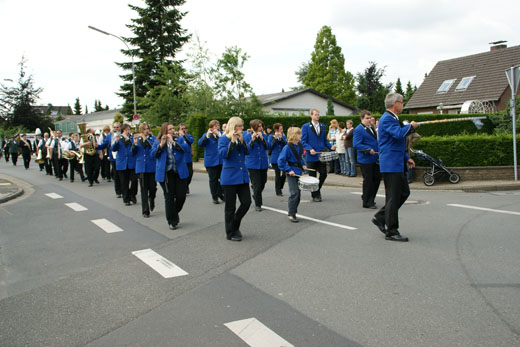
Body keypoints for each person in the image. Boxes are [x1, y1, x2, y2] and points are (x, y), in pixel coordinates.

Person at [372, 93, 419, 242]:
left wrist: (407, 158)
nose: (403, 105)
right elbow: (398, 135)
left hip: (397, 162)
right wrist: (410, 126)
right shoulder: (387, 119)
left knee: (404, 192)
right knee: (393, 197)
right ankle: (391, 230)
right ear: (395, 103)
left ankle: (381, 217)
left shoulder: (393, 118)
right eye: (402, 102)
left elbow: (396, 142)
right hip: (391, 164)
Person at [218, 116, 251, 241]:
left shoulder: (241, 139)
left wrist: (242, 142)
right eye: (240, 126)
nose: (242, 128)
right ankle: (230, 232)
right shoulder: (223, 139)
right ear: (234, 127)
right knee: (230, 207)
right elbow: (223, 155)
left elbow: (247, 152)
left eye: (242, 126)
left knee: (247, 202)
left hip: (242, 177)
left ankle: (235, 223)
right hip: (229, 177)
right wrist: (232, 142)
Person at [152, 122, 190, 230]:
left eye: (173, 129)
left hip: (179, 172)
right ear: (164, 131)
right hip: (166, 174)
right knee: (169, 197)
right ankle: (171, 221)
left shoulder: (179, 139)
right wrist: (161, 145)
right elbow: (152, 154)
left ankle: (174, 212)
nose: (173, 131)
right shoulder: (158, 141)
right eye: (170, 129)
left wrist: (173, 142)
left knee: (181, 196)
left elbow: (185, 149)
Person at [301, 108, 335, 202]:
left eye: (318, 114)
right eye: (315, 114)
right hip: (311, 155)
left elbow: (324, 140)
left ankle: (317, 189)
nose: (317, 116)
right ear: (311, 115)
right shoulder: (306, 126)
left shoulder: (322, 126)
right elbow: (303, 141)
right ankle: (316, 195)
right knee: (312, 176)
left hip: (321, 154)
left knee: (324, 173)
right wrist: (309, 149)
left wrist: (330, 146)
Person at [278, 127, 307, 223]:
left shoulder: (299, 146)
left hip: (298, 172)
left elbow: (300, 158)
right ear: (294, 136)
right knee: (294, 193)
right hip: (291, 173)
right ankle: (291, 213)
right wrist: (288, 169)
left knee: (298, 194)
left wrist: (303, 165)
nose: (300, 136)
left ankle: (294, 211)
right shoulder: (287, 147)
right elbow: (281, 161)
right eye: (299, 134)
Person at [353, 110, 380, 209]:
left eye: (370, 118)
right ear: (362, 119)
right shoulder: (359, 129)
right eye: (367, 118)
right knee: (368, 181)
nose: (369, 120)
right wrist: (368, 149)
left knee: (376, 179)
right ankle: (367, 202)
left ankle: (370, 197)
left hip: (374, 158)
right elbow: (356, 144)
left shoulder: (371, 128)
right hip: (365, 159)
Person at [244, 119, 270, 211]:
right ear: (254, 127)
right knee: (257, 185)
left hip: (263, 163)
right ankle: (258, 204)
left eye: (261, 126)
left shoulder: (265, 135)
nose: (261, 128)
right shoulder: (247, 136)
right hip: (252, 164)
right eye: (259, 126)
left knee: (263, 182)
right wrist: (252, 140)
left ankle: (255, 194)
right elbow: (246, 150)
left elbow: (268, 147)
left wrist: (263, 139)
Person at [197, 120, 224, 204]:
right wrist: (207, 136)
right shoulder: (206, 135)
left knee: (222, 179)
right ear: (211, 127)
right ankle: (214, 196)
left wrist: (219, 135)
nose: (217, 127)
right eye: (215, 126)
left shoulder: (222, 134)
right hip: (211, 161)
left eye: (218, 125)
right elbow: (200, 144)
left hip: (221, 161)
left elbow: (225, 141)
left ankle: (221, 194)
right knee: (213, 180)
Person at [134, 123, 157, 218]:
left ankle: (151, 198)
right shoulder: (137, 139)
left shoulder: (153, 139)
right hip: (141, 167)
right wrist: (134, 144)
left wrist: (145, 139)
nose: (146, 131)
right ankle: (145, 210)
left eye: (147, 129)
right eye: (144, 129)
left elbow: (152, 148)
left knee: (152, 188)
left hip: (151, 166)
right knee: (143, 189)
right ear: (141, 130)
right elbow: (133, 152)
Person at [111, 124, 137, 205]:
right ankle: (126, 199)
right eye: (126, 130)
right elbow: (113, 149)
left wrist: (129, 139)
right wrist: (116, 142)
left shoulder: (133, 138)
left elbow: (135, 148)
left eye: (129, 129)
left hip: (131, 162)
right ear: (123, 131)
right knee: (124, 182)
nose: (128, 131)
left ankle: (132, 195)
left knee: (134, 180)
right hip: (122, 163)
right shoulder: (119, 138)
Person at [98, 122, 123, 198]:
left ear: (120, 127)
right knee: (116, 175)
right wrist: (97, 146)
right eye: (115, 127)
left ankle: (124, 190)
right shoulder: (109, 136)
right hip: (113, 157)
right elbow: (104, 145)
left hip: (122, 158)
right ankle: (118, 191)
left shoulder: (123, 134)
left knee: (123, 175)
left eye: (117, 127)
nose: (116, 129)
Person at [268, 123, 287, 196]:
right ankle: (278, 190)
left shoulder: (283, 136)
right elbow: (270, 147)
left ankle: (280, 186)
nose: (282, 131)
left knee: (284, 174)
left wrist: (281, 138)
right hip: (275, 158)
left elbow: (286, 145)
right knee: (277, 174)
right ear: (276, 129)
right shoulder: (270, 137)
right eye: (280, 129)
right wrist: (275, 139)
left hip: (283, 157)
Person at [177, 123, 194, 195]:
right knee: (182, 174)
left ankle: (186, 185)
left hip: (188, 158)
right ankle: (183, 187)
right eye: (182, 129)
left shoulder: (188, 136)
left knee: (190, 173)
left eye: (185, 128)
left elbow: (190, 142)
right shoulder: (176, 137)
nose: (184, 130)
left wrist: (183, 136)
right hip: (180, 159)